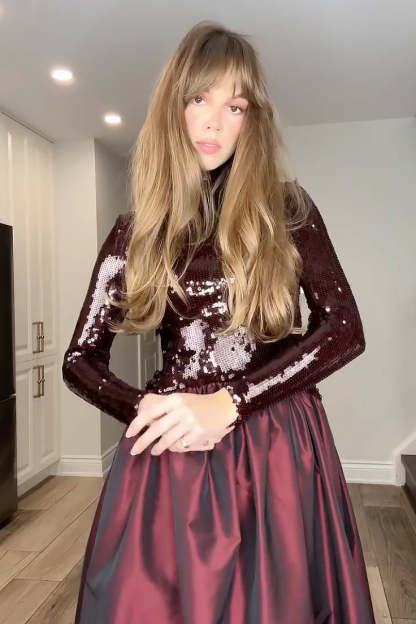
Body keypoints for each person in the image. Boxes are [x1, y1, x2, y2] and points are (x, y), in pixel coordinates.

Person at [62, 20, 376, 624]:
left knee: (279, 602)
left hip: (276, 437)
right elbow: (80, 359)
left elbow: (344, 329)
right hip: (172, 443)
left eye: (234, 107)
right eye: (199, 99)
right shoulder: (136, 231)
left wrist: (231, 402)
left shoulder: (288, 208)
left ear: (251, 120)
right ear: (173, 107)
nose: (213, 122)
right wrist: (147, 411)